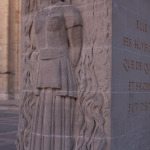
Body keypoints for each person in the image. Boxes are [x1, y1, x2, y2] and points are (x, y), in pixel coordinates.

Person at [29, 0, 82, 149]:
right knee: (42, 112)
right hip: (42, 66)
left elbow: (75, 48)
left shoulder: (69, 11)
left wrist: (65, 69)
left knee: (60, 111)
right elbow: (36, 44)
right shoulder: (39, 13)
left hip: (61, 66)